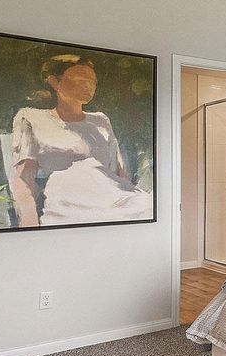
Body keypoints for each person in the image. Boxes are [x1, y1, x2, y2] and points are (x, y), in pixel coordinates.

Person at [8, 54, 152, 227]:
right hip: (70, 200)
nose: (89, 86)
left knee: (150, 207)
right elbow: (23, 180)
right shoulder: (31, 118)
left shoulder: (101, 121)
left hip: (115, 195)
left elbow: (120, 172)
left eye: (93, 81)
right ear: (54, 82)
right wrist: (29, 224)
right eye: (80, 79)